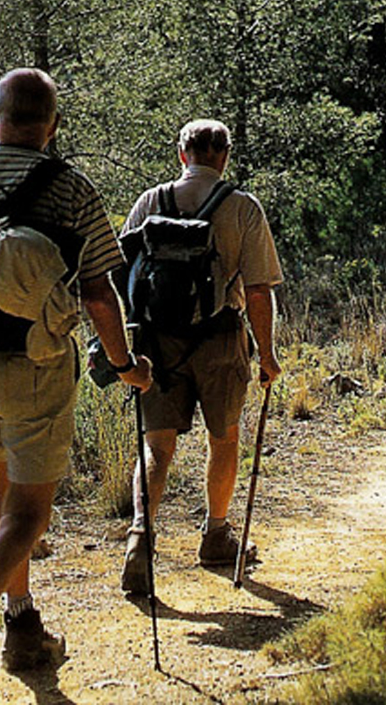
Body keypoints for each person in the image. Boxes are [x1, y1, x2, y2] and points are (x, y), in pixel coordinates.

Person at [0, 68, 152, 705]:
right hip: (37, 362)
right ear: (51, 126)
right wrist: (124, 363)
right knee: (30, 509)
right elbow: (100, 291)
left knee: (5, 497)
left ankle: (22, 623)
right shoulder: (71, 187)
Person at [119, 119, 283, 594]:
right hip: (219, 338)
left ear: (182, 154)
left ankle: (140, 536)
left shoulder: (150, 203)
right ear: (224, 156)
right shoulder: (242, 207)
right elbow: (257, 290)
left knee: (157, 446)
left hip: (156, 346)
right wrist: (267, 353)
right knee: (224, 438)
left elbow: (121, 273)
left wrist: (126, 348)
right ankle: (215, 534)